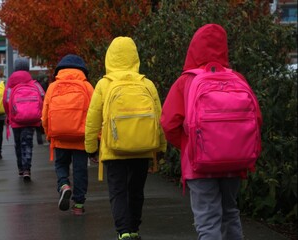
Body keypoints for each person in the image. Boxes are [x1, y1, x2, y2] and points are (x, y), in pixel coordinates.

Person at [160, 24, 262, 240]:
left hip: (199, 164)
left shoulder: (186, 82)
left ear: (193, 48)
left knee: (207, 221)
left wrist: (190, 145)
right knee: (231, 214)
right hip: (234, 162)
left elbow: (169, 123)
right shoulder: (238, 79)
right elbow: (257, 119)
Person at [85, 37, 166, 240]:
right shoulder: (147, 84)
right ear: (135, 57)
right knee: (136, 191)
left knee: (118, 191)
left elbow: (92, 119)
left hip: (114, 149)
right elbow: (160, 118)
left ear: (109, 57)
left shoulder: (104, 84)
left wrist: (90, 148)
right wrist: (161, 148)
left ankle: (123, 232)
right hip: (142, 147)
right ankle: (135, 228)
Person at [42, 54, 94, 216]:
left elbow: (44, 115)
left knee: (61, 165)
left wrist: (49, 134)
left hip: (59, 136)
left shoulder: (52, 87)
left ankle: (64, 185)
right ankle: (78, 204)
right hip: (80, 137)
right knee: (80, 170)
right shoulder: (87, 87)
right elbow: (95, 114)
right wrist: (96, 139)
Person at [3, 57, 45, 181]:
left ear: (15, 68)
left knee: (18, 144)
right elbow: (43, 97)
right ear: (27, 69)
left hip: (16, 120)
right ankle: (27, 169)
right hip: (32, 119)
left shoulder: (10, 85)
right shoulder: (34, 84)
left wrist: (9, 115)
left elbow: (6, 101)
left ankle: (21, 168)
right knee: (28, 144)